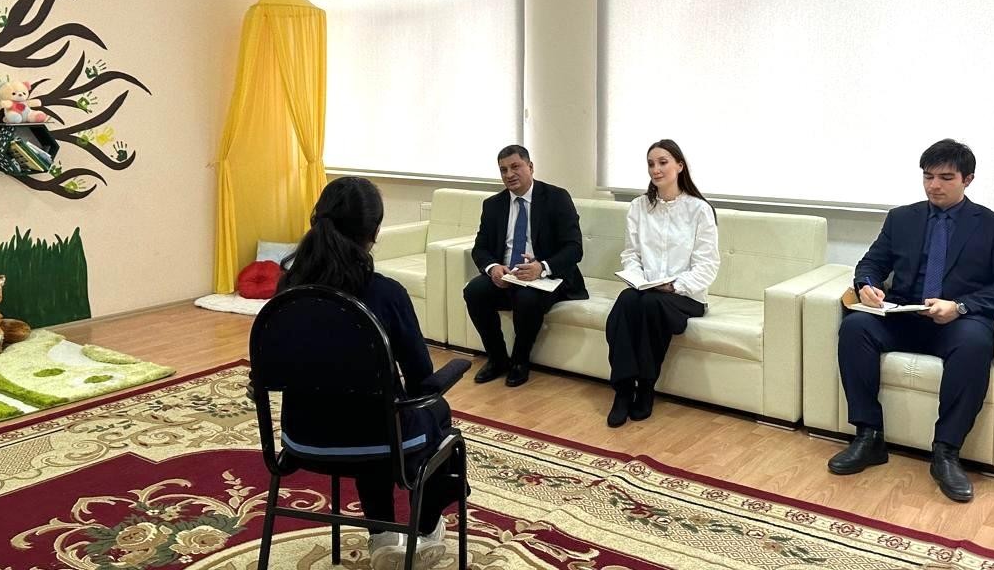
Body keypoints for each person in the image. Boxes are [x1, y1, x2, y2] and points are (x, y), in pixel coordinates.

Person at [828, 139, 994, 503]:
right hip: (904, 315)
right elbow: (871, 263)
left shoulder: (993, 226)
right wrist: (867, 285)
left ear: (967, 179)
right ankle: (868, 437)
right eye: (928, 177)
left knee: (975, 344)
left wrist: (961, 305)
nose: (934, 185)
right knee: (855, 327)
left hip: (957, 321)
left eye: (945, 178)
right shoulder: (901, 218)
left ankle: (946, 452)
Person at [277, 176, 462, 570]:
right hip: (379, 442)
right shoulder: (386, 293)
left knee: (369, 412)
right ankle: (426, 525)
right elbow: (421, 379)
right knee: (427, 411)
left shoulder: (288, 290)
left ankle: (382, 535)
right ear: (375, 231)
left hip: (303, 439)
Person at [605, 139, 719, 427]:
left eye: (663, 162)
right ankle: (623, 390)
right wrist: (638, 279)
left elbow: (707, 266)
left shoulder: (699, 210)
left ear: (679, 166)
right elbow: (631, 254)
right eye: (651, 164)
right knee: (628, 300)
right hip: (646, 290)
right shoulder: (638, 207)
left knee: (650, 304)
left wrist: (674, 286)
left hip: (686, 296)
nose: (655, 169)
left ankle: (645, 387)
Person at [464, 145, 587, 387]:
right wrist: (493, 268)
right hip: (508, 275)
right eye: (503, 170)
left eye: (515, 167)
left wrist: (541, 267)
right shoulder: (493, 205)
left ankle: (520, 361)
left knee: (526, 298)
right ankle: (497, 358)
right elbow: (480, 248)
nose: (509, 174)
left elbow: (574, 248)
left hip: (547, 277)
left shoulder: (556, 198)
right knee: (473, 291)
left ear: (530, 167)